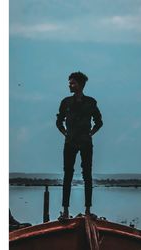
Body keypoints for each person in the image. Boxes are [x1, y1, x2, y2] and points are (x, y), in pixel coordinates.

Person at [56, 71, 103, 218]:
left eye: (72, 82)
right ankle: (65, 211)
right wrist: (66, 134)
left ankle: (88, 211)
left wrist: (90, 134)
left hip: (85, 143)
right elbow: (59, 122)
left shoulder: (91, 102)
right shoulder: (66, 102)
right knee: (67, 176)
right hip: (70, 143)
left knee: (87, 176)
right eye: (69, 82)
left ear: (80, 85)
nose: (69, 85)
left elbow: (99, 122)